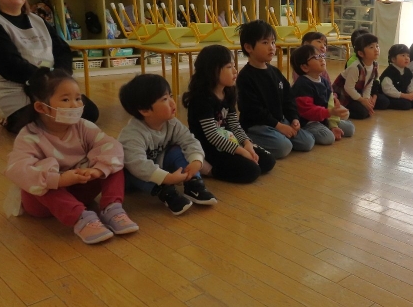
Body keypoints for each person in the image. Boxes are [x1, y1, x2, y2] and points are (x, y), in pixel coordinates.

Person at [5, 68, 136, 244]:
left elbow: (110, 146)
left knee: (113, 162)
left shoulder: (83, 126)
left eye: (78, 98)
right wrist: (58, 180)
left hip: (80, 190)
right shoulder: (29, 135)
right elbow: (18, 169)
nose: (75, 105)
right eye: (66, 100)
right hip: (44, 203)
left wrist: (98, 170)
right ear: (41, 107)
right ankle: (81, 219)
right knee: (39, 181)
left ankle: (112, 209)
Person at [0, 0, 98, 133]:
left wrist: (61, 77)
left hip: (51, 83)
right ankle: (9, 119)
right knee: (38, 125)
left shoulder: (37, 20)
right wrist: (48, 80)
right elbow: (8, 64)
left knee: (89, 112)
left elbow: (62, 50)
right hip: (14, 88)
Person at [118, 74, 217, 215]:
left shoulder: (172, 123)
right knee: (132, 169)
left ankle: (194, 184)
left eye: (170, 96)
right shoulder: (132, 134)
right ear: (145, 110)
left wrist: (196, 161)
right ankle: (166, 192)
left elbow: (189, 140)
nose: (172, 102)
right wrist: (167, 179)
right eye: (164, 99)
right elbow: (138, 165)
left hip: (159, 167)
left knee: (178, 150)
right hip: (134, 177)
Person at [183, 45, 275, 183]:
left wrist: (247, 143)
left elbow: (234, 124)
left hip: (228, 141)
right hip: (209, 147)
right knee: (252, 171)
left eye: (234, 66)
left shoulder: (228, 92)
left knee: (268, 161)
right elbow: (212, 136)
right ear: (212, 71)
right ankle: (209, 169)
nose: (235, 70)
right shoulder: (201, 99)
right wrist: (240, 151)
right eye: (229, 67)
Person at [236, 20, 315, 159]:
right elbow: (253, 110)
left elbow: (288, 98)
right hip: (257, 126)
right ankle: (247, 139)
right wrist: (279, 126)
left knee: (307, 142)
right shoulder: (245, 77)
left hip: (279, 121)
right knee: (284, 147)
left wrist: (294, 118)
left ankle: (279, 135)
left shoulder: (275, 72)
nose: (272, 47)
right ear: (248, 47)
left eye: (273, 42)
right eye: (265, 43)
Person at [291, 44, 354, 144]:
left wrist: (333, 125)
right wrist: (329, 112)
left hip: (324, 117)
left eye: (321, 55)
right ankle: (306, 133)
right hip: (308, 121)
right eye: (316, 57)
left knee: (350, 128)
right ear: (305, 67)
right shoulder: (302, 84)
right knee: (328, 138)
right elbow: (307, 111)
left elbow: (330, 104)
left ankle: (327, 126)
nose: (321, 59)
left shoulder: (324, 81)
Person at [333, 33, 389, 119]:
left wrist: (366, 99)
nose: (376, 49)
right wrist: (362, 100)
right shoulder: (355, 67)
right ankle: (341, 110)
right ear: (361, 53)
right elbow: (348, 88)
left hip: (356, 93)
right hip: (343, 96)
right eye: (371, 47)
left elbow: (369, 84)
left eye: (377, 46)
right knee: (362, 113)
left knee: (377, 105)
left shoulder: (375, 65)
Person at [380, 44, 413, 110]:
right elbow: (388, 90)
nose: (406, 58)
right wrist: (404, 96)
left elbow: (411, 84)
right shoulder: (389, 72)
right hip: (391, 96)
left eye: (408, 56)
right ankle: (390, 104)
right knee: (406, 104)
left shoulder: (407, 71)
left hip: (403, 94)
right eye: (403, 55)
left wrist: (412, 93)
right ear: (393, 59)